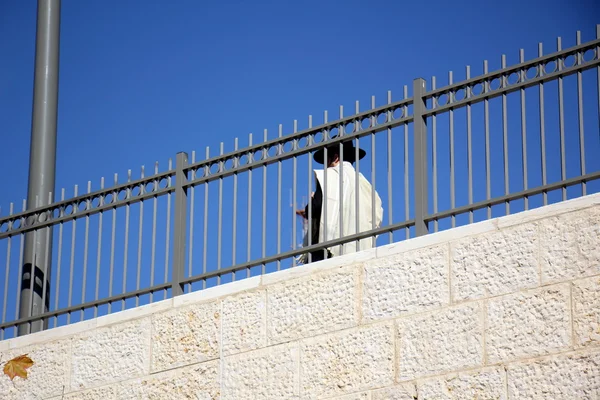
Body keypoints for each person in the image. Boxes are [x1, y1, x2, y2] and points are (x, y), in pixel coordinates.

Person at [296, 139, 383, 264]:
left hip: (327, 251)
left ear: (335, 158)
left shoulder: (328, 176)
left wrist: (312, 200)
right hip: (359, 249)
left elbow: (313, 210)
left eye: (327, 160)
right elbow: (376, 218)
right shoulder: (364, 184)